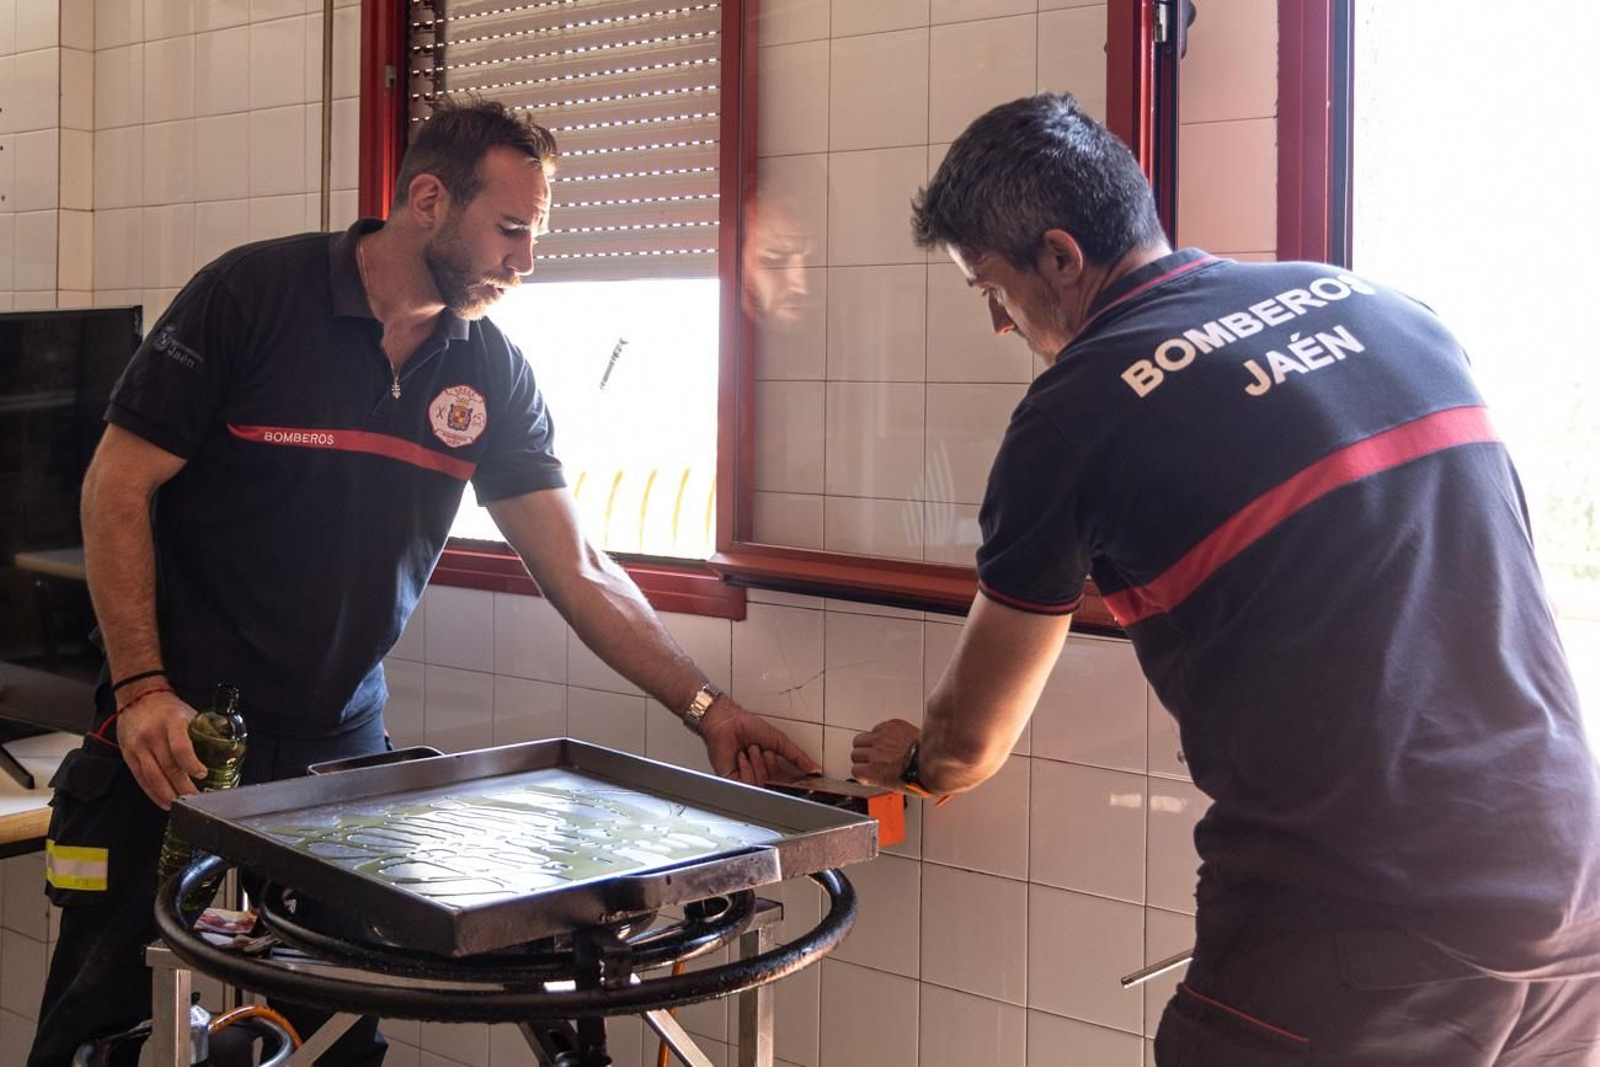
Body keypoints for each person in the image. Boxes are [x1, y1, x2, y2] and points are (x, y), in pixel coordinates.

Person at [31, 98, 820, 1067]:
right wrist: (145, 685)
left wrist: (707, 706)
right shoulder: (252, 295)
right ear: (427, 199)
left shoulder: (490, 370)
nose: (525, 260)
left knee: (332, 1037)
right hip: (171, 730)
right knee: (100, 1022)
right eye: (512, 228)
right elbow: (117, 481)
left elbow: (574, 565)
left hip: (337, 748)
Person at [851, 92, 1600, 1065]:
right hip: (1568, 874)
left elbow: (970, 742)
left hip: (1359, 916)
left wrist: (915, 761)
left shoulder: (1073, 411)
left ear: (1061, 257)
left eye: (989, 286)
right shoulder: (1382, 306)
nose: (998, 321)